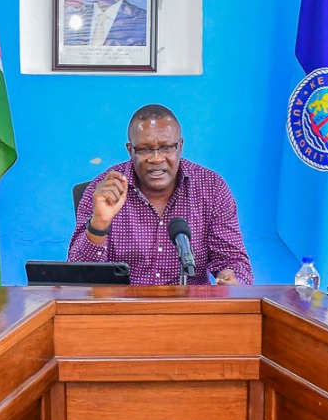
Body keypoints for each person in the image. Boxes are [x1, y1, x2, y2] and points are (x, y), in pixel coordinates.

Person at [69, 103, 254, 285]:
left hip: (190, 310)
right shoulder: (103, 190)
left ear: (180, 146)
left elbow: (232, 260)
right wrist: (99, 223)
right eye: (144, 149)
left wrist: (232, 280)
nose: (156, 158)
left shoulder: (211, 188)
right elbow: (78, 277)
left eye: (166, 147)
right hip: (122, 310)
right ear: (130, 150)